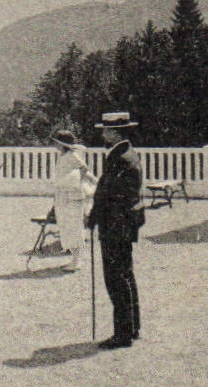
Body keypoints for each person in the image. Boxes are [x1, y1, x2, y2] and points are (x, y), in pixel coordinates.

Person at [86, 111, 143, 348]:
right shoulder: (126, 154)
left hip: (115, 226)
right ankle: (132, 327)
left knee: (116, 279)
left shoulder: (121, 158)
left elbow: (108, 195)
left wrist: (93, 217)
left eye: (106, 130)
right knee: (126, 275)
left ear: (115, 132)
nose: (103, 133)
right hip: (122, 224)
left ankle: (123, 334)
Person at [50, 129, 95, 272]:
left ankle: (77, 261)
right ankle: (74, 259)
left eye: (57, 142)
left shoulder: (71, 155)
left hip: (73, 195)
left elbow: (84, 168)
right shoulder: (63, 156)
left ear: (63, 144)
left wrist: (75, 183)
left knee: (74, 226)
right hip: (64, 195)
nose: (55, 145)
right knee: (67, 226)